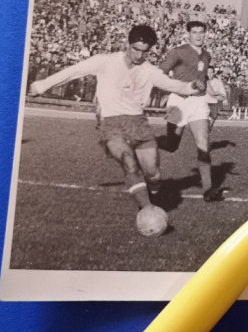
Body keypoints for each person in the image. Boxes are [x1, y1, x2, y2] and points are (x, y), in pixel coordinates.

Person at [28, 25, 200, 233]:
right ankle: (147, 209)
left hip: (139, 124)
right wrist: (42, 85)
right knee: (128, 161)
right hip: (111, 124)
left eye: (144, 51)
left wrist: (191, 87)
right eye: (136, 49)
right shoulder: (106, 61)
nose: (139, 55)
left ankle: (151, 200)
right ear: (128, 44)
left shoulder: (150, 71)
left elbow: (173, 85)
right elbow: (74, 71)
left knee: (153, 174)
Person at [159, 21, 225, 202]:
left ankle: (208, 190)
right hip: (179, 102)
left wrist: (212, 92)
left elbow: (203, 77)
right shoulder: (178, 52)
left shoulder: (206, 55)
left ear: (206, 34)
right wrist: (175, 89)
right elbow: (160, 73)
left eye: (201, 32)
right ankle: (148, 142)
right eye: (194, 32)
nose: (198, 35)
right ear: (187, 34)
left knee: (203, 144)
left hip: (199, 102)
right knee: (172, 146)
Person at [205, 66, 227, 130]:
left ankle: (208, 130)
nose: (209, 74)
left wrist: (224, 100)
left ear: (214, 73)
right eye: (207, 72)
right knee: (203, 118)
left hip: (213, 103)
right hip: (204, 102)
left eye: (211, 72)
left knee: (213, 118)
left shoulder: (218, 82)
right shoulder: (203, 81)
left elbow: (223, 92)